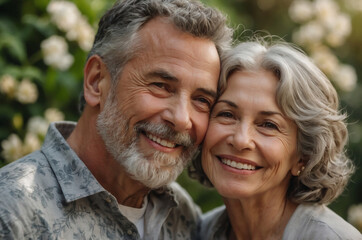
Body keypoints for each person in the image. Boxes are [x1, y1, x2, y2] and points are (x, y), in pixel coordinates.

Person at [0, 0, 233, 239]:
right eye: (161, 86)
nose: (182, 119)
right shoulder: (11, 212)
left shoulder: (181, 214)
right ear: (96, 81)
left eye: (202, 100)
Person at [189, 40, 362, 239]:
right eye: (227, 114)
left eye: (268, 125)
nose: (241, 140)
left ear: (303, 156)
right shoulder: (198, 232)